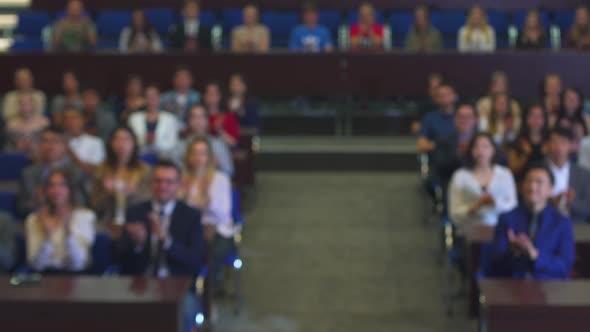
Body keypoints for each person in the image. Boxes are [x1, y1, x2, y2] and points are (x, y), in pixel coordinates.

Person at [117, 160, 204, 277]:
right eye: (158, 181)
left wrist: (166, 241)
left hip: (176, 284)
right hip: (140, 283)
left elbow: (194, 260)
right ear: (151, 183)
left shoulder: (191, 216)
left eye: (169, 182)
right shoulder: (135, 212)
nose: (162, 186)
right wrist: (137, 244)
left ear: (178, 184)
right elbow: (119, 258)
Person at [489, 163, 575, 279]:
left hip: (549, 287)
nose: (532, 187)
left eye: (539, 182)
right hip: (514, 285)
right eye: (528, 181)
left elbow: (564, 265)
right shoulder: (507, 218)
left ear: (550, 190)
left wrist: (535, 255)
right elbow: (495, 262)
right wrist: (512, 252)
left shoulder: (562, 222)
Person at [180, 138, 234, 292]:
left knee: (210, 252)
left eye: (203, 153)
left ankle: (207, 296)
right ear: (188, 156)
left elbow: (222, 213)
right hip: (189, 229)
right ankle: (185, 290)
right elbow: (178, 209)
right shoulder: (182, 179)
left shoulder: (221, 179)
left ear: (209, 157)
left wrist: (204, 199)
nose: (198, 158)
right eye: (194, 153)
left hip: (217, 230)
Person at [25, 169, 96, 273]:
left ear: (70, 189)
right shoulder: (33, 219)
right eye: (51, 185)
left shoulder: (85, 217)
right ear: (45, 190)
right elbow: (37, 266)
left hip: (75, 279)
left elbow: (78, 264)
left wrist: (68, 233)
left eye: (62, 185)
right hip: (44, 279)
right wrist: (47, 236)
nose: (56, 190)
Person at [449, 133, 518, 230]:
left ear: (493, 149)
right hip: (469, 231)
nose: (480, 151)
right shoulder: (460, 175)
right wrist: (473, 208)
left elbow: (513, 205)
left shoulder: (505, 174)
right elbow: (454, 212)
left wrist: (495, 203)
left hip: (500, 230)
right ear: (471, 150)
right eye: (476, 147)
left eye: (485, 146)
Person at [17, 127, 88, 218]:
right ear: (39, 145)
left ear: (65, 146)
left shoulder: (76, 173)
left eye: (55, 141)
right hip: (37, 221)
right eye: (45, 141)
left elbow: (81, 203)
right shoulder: (28, 174)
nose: (50, 145)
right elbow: (21, 208)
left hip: (69, 221)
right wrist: (36, 202)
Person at [91, 126, 151, 224]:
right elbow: (94, 203)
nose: (122, 144)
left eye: (126, 139)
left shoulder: (145, 170)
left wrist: (133, 194)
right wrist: (107, 193)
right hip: (107, 220)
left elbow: (150, 201)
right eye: (117, 139)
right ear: (111, 143)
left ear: (134, 143)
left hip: (137, 221)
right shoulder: (101, 170)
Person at [429, 104, 478, 204]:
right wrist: (459, 155)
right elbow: (439, 165)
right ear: (455, 120)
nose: (464, 120)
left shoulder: (484, 141)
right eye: (461, 117)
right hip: (452, 181)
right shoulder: (444, 140)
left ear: (475, 120)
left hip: (480, 180)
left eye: (468, 117)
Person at [547, 127, 590, 222]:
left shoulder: (583, 174)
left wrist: (572, 202)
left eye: (563, 142)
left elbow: (587, 208)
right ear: (548, 144)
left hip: (576, 226)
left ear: (571, 145)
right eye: (554, 142)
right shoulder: (540, 170)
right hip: (545, 225)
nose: (558, 147)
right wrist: (552, 203)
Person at [176, 105, 234, 176]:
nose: (198, 121)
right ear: (189, 121)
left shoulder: (218, 144)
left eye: (201, 117)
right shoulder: (180, 145)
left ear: (207, 120)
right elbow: (174, 172)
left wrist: (219, 165)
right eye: (194, 117)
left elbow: (229, 171)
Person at [128, 85, 180, 157]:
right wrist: (144, 140)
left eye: (154, 97)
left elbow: (173, 143)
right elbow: (130, 141)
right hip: (139, 156)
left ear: (159, 98)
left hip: (164, 157)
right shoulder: (134, 118)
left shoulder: (170, 119)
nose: (151, 100)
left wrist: (155, 142)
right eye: (148, 97)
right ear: (144, 99)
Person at [508, 104, 550, 184]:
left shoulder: (550, 141)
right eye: (532, 116)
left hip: (546, 183)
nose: (536, 120)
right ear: (525, 118)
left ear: (544, 119)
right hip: (523, 184)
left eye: (539, 116)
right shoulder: (518, 142)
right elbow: (512, 169)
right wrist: (525, 154)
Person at [416, 84, 457, 154]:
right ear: (435, 99)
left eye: (447, 94)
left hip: (460, 161)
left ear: (454, 96)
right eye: (441, 96)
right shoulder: (429, 118)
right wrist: (444, 144)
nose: (444, 98)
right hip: (437, 161)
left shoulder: (463, 116)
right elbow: (421, 146)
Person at [204, 82, 240, 147]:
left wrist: (220, 130)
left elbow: (234, 143)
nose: (211, 95)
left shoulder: (229, 116)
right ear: (204, 96)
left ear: (220, 96)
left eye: (214, 93)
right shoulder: (198, 115)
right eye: (209, 93)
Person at [556, 87, 588, 152]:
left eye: (575, 98)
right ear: (563, 100)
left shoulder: (587, 119)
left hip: (582, 153)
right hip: (560, 152)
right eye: (569, 98)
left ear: (580, 101)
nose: (572, 101)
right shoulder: (554, 118)